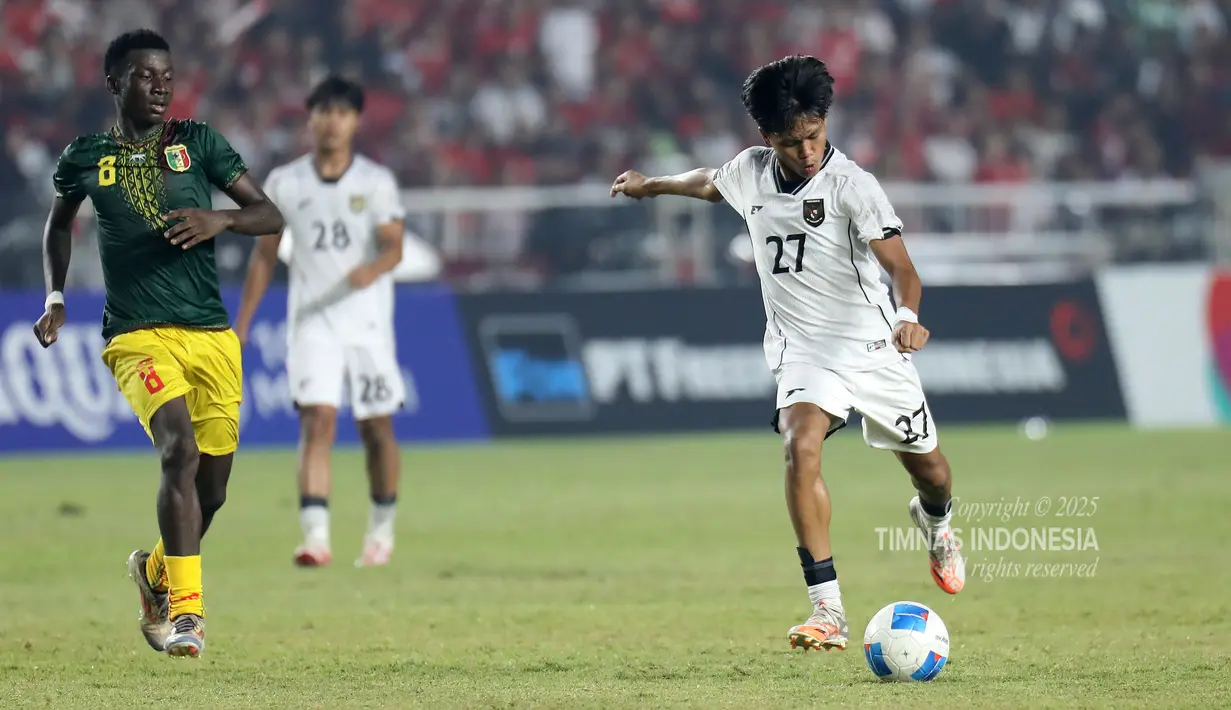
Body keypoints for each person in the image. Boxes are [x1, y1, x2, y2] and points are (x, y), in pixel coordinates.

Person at [610, 55, 965, 652]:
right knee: (799, 448)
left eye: (814, 135)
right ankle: (828, 611)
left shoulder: (854, 186)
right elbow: (707, 182)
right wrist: (654, 184)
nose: (806, 150)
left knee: (930, 470)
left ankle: (937, 525)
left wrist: (909, 317)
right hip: (803, 350)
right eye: (791, 140)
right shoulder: (750, 171)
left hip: (873, 346)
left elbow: (903, 270)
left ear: (825, 122)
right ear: (766, 137)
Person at [33, 29, 284, 658]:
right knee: (180, 449)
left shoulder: (198, 144)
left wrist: (220, 218)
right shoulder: (85, 156)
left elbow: (270, 215)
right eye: (146, 75)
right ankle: (188, 618)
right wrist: (56, 298)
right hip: (137, 336)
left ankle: (155, 574)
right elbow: (59, 226)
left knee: (214, 491)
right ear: (116, 82)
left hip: (212, 337)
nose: (161, 84)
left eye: (167, 74)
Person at [235, 76, 407, 569]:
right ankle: (315, 538)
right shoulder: (285, 183)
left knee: (376, 428)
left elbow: (395, 245)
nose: (332, 121)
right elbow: (265, 257)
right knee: (318, 420)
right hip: (312, 320)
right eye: (323, 111)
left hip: (367, 322)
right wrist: (243, 323)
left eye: (342, 112)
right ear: (309, 118)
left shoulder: (375, 182)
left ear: (356, 121)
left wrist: (370, 269)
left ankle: (381, 530)